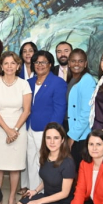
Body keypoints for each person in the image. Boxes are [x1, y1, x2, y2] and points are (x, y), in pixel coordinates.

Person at [16, 122, 76, 204]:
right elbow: (47, 178)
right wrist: (35, 190)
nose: (52, 142)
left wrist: (40, 201)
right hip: (48, 197)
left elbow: (65, 193)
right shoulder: (45, 156)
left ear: (62, 140)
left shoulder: (68, 163)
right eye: (48, 138)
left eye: (56, 138)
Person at [0, 51, 32, 204]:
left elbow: (26, 110)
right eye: (6, 63)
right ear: (1, 66)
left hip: (18, 128)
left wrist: (15, 130)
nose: (9, 66)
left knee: (15, 166)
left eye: (13, 63)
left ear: (18, 65)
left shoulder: (23, 84)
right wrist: (8, 130)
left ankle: (12, 197)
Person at [22, 50, 67, 193]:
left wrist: (52, 131)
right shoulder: (28, 83)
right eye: (36, 62)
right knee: (31, 160)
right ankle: (33, 191)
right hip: (29, 127)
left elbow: (59, 109)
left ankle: (44, 192)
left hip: (46, 129)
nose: (39, 65)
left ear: (50, 64)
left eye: (43, 62)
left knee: (43, 162)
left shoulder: (57, 82)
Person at [66, 48, 97, 169]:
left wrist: (72, 136)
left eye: (80, 61)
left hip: (81, 136)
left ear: (85, 63)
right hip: (74, 131)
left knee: (80, 171)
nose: (76, 64)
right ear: (69, 63)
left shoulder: (87, 80)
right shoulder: (73, 79)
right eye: (73, 61)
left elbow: (86, 113)